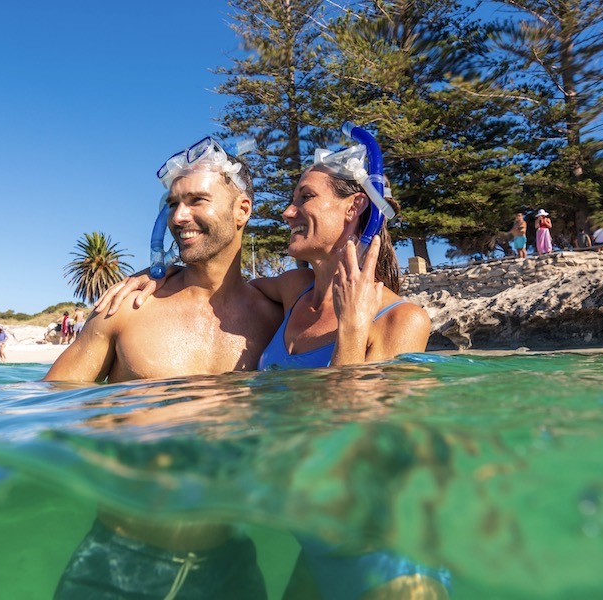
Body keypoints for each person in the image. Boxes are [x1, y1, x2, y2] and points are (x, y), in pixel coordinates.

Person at [0, 137, 281, 598]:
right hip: (119, 562)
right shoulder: (128, 308)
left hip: (230, 567)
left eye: (196, 201)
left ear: (242, 210)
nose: (178, 216)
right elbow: (40, 407)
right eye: (172, 203)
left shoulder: (276, 316)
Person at [99, 140, 445, 599]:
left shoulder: (402, 320)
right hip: (316, 538)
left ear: (354, 206)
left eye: (305, 198)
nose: (287, 212)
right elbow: (215, 280)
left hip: (385, 551)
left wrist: (350, 334)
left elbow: (353, 455)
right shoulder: (292, 290)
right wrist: (155, 272)